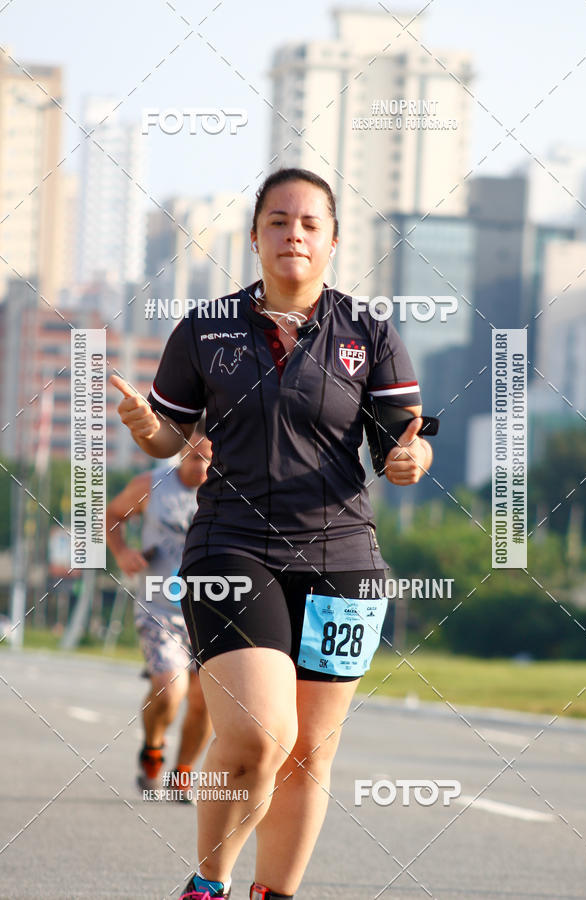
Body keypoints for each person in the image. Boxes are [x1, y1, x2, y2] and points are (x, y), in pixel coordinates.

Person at [111, 167, 434, 899]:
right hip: (232, 548)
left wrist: (414, 457)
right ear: (254, 236)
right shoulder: (205, 328)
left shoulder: (369, 332)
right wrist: (148, 427)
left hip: (343, 560)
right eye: (278, 221)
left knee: (310, 752)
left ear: (332, 241)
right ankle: (209, 884)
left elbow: (398, 446)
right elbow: (170, 438)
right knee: (260, 737)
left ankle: (275, 894)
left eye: (309, 223)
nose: (293, 233)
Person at [106, 421, 213, 802]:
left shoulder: (233, 495)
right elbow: (112, 515)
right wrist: (123, 553)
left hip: (213, 615)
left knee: (206, 702)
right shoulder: (152, 485)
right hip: (159, 608)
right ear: (183, 449)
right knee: (170, 690)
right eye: (196, 456)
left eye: (210, 461)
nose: (202, 468)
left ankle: (182, 773)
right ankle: (153, 747)